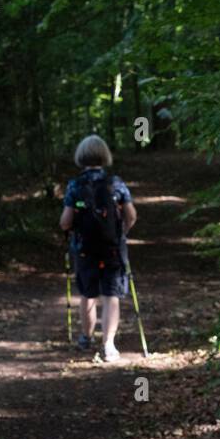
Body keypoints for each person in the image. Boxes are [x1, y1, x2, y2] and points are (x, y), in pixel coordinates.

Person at [59, 135, 137, 361]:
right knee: (111, 295)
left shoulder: (75, 185)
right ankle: (109, 345)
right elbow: (131, 216)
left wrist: (73, 232)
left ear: (81, 157)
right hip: (112, 248)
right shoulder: (116, 183)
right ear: (105, 156)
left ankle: (86, 336)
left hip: (84, 248)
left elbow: (65, 221)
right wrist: (120, 234)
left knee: (88, 294)